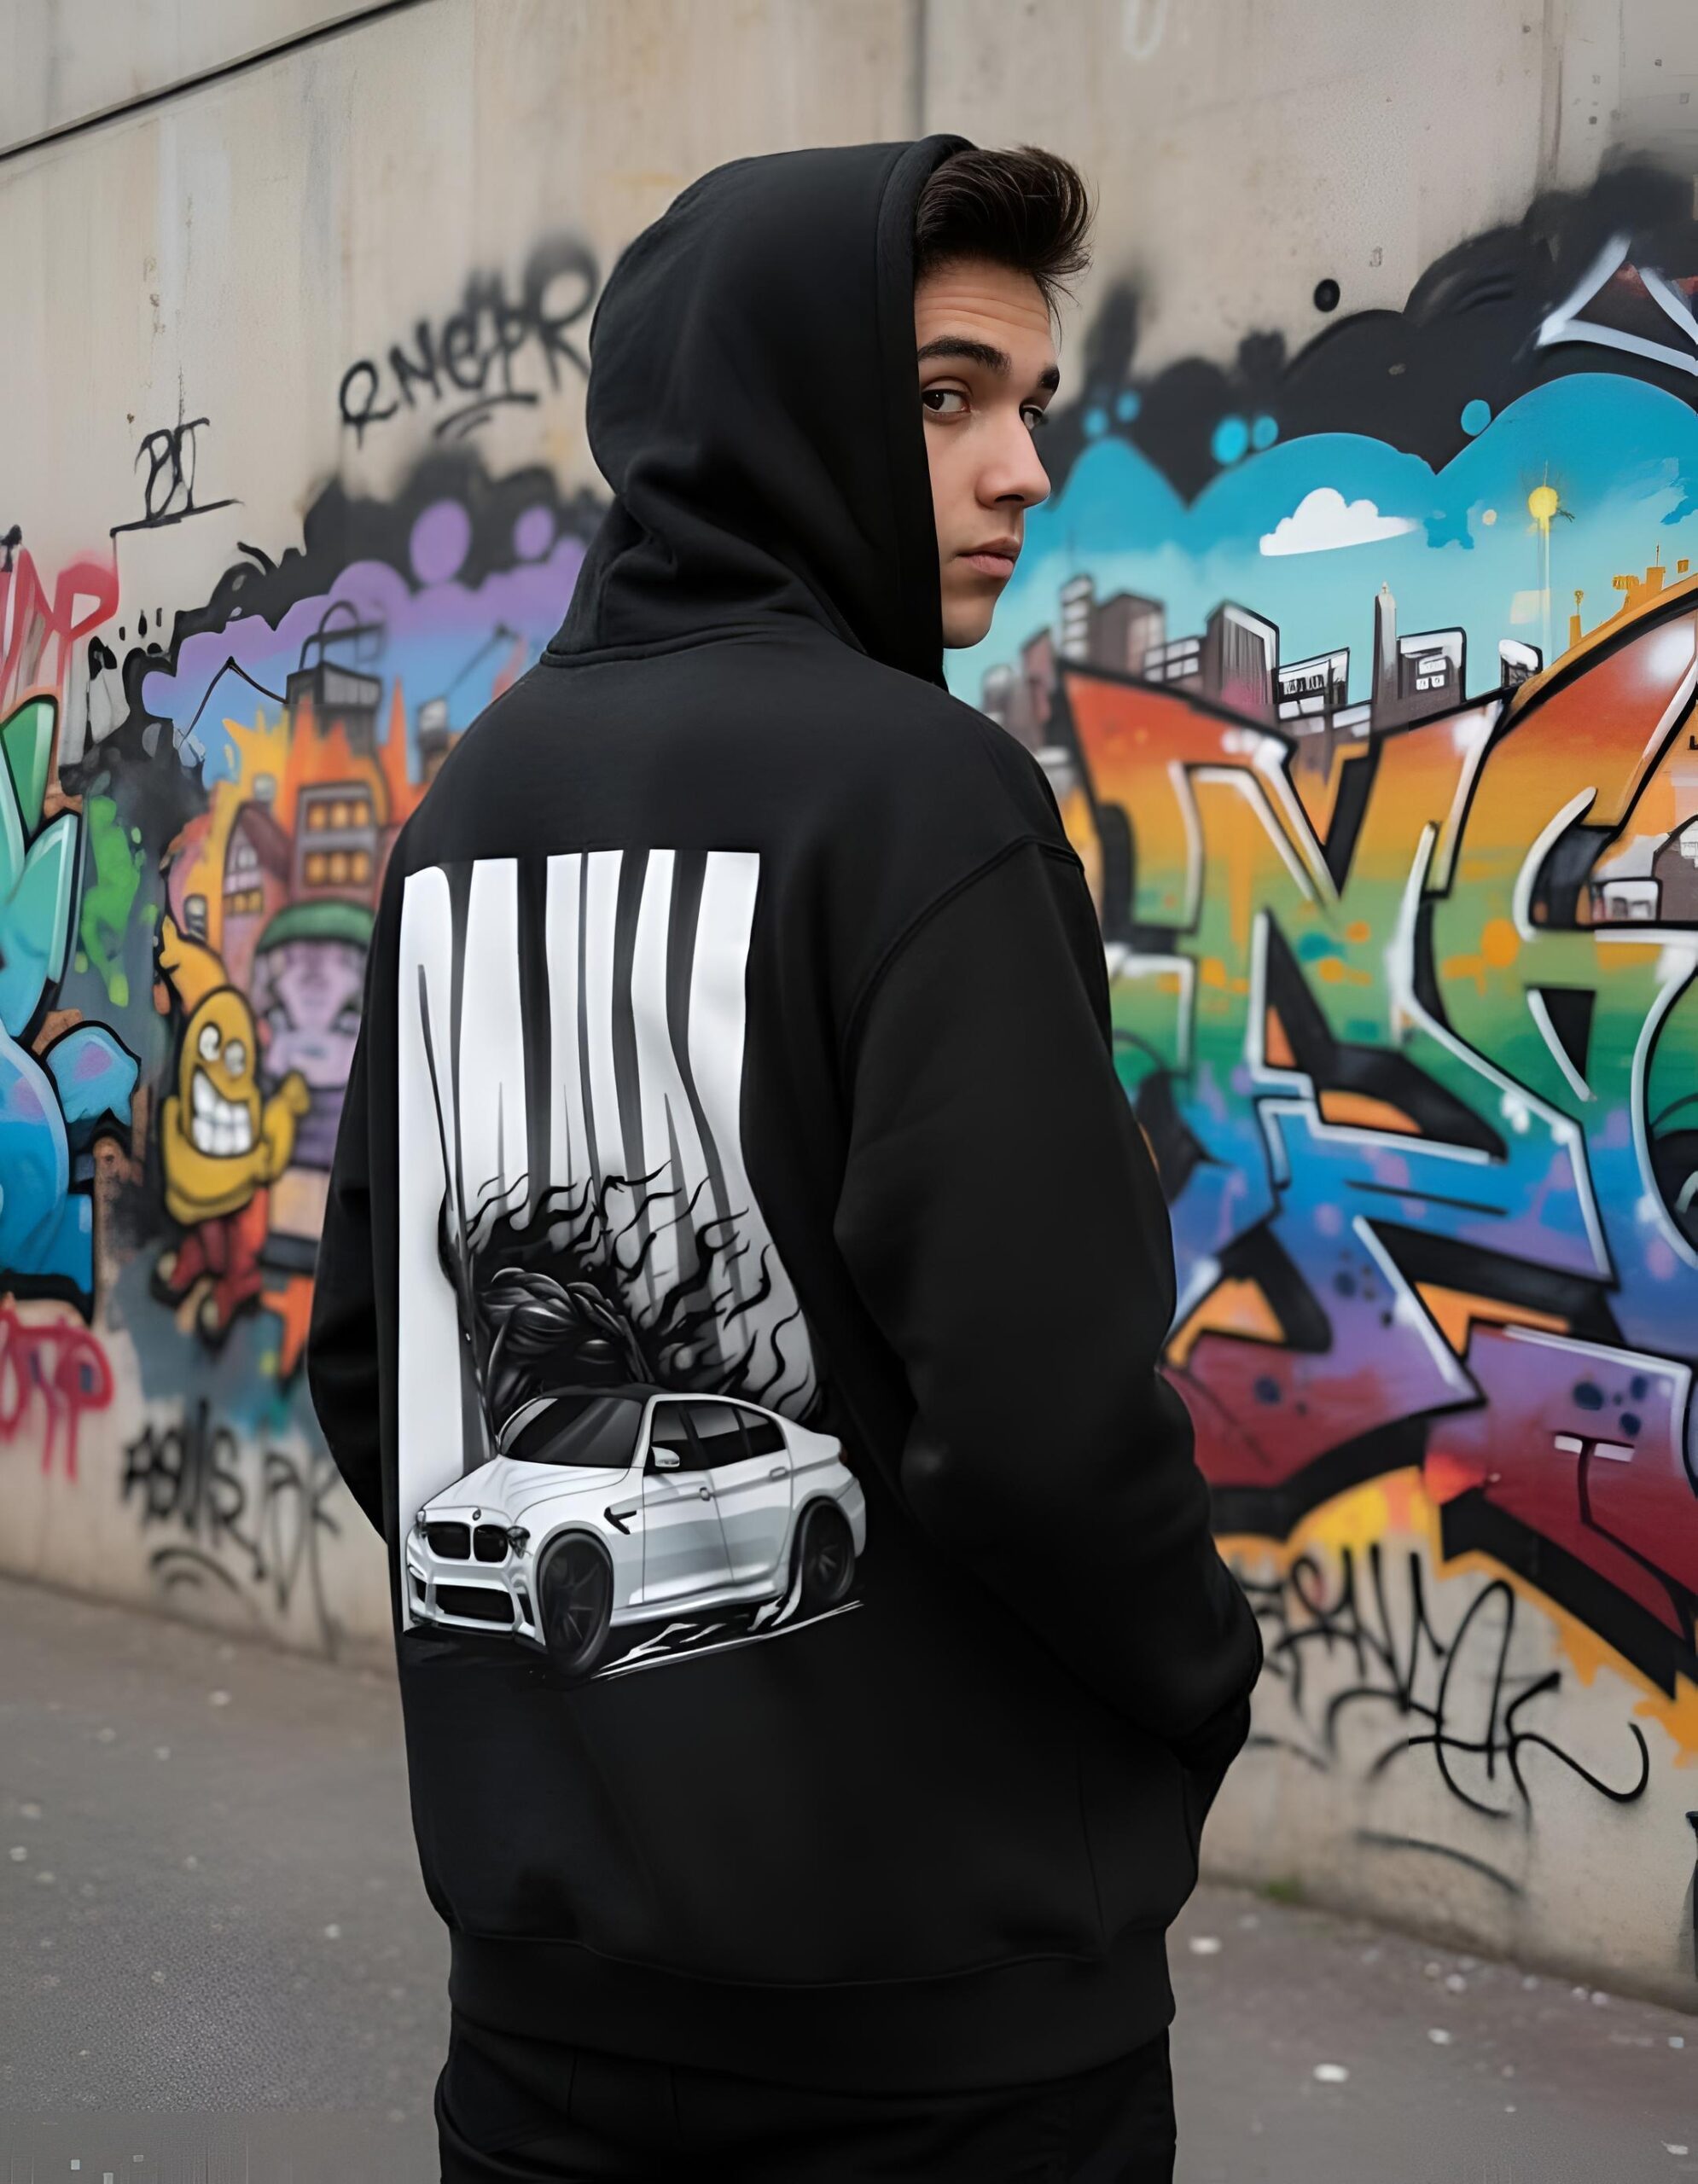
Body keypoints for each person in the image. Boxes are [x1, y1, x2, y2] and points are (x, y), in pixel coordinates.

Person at [307, 135, 1263, 2184]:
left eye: (1029, 403)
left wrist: (594, 1747)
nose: (1020, 467)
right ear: (773, 409)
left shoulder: (465, 812)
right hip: (942, 2059)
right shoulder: (926, 799)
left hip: (543, 2045)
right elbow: (1040, 1415)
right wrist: (1194, 1685)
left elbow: (381, 1369)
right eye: (943, 397)